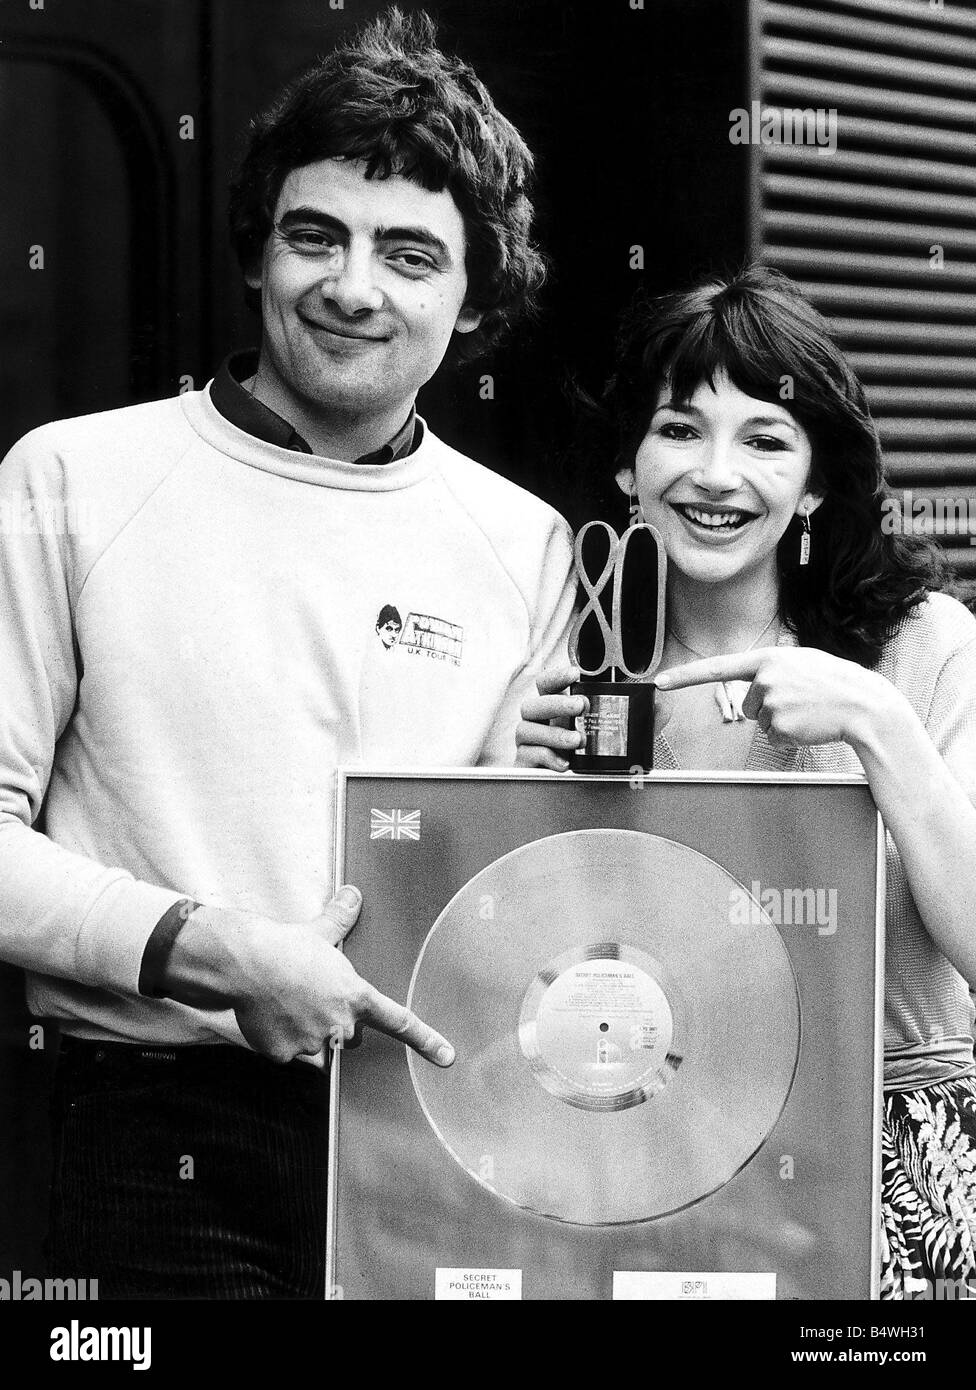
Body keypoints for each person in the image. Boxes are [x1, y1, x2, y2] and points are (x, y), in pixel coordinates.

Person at [0, 9, 575, 1298]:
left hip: (441, 1123)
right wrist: (214, 948)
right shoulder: (71, 479)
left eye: (410, 253)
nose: (351, 285)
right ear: (258, 254)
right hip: (154, 1143)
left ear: (476, 294)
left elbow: (514, 888)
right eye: (315, 234)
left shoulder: (526, 543)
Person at [516, 266, 976, 1299]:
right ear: (628, 468)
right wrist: (509, 786)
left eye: (765, 439)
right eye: (679, 429)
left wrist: (875, 725)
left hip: (891, 1160)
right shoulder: (562, 663)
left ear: (815, 482)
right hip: (636, 1157)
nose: (715, 475)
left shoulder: (920, 646)